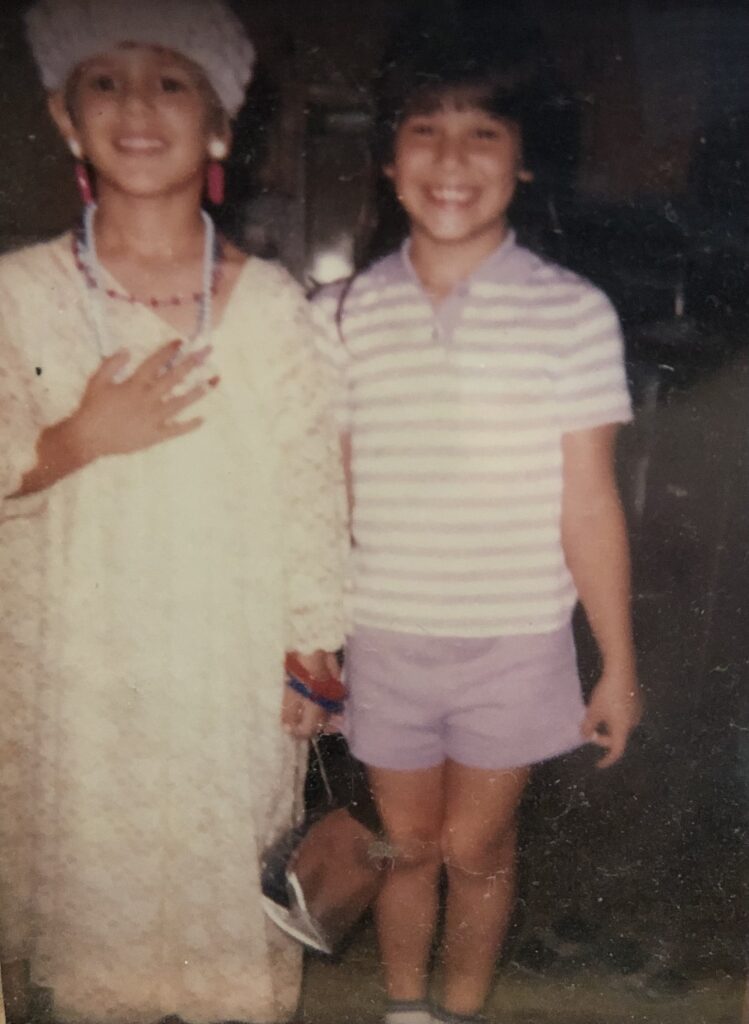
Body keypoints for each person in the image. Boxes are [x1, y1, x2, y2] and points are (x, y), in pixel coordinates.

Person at [0, 2, 346, 1022]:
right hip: (72, 662)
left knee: (223, 908)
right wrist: (75, 440)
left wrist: (315, 642)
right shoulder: (16, 293)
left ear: (218, 124)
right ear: (68, 119)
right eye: (105, 82)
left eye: (169, 82)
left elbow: (309, 483)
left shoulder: (275, 303)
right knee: (95, 909)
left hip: (226, 664)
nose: (137, 106)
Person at [312, 12, 642, 1024]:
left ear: (524, 162)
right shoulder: (341, 313)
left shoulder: (571, 311)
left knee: (475, 847)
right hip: (386, 632)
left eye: (483, 133)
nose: (451, 158)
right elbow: (336, 491)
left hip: (514, 638)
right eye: (424, 129)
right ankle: (405, 1006)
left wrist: (617, 662)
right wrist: (311, 636)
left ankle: (459, 1010)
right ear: (388, 159)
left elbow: (587, 500)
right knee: (405, 846)